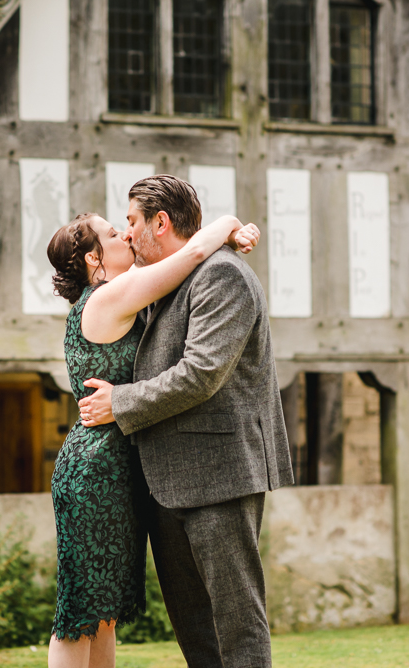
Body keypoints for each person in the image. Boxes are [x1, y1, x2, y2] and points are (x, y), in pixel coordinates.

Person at [77, 174, 294, 668]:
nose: (127, 234)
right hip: (163, 480)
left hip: (219, 472)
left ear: (160, 221)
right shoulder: (161, 281)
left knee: (236, 622)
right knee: (194, 629)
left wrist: (122, 403)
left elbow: (201, 374)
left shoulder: (223, 276)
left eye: (131, 222)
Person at [45, 210, 260, 668]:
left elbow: (177, 252)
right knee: (81, 611)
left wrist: (232, 235)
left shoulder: (119, 290)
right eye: (111, 232)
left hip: (118, 465)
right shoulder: (111, 295)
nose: (124, 233)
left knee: (104, 614)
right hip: (97, 470)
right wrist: (228, 223)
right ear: (92, 260)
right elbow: (194, 251)